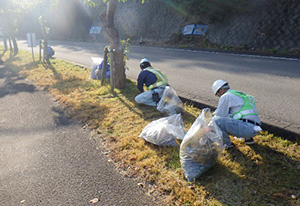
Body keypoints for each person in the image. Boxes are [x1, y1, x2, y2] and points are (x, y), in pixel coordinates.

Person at [211, 79, 262, 149]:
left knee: (216, 121)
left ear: (220, 90)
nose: (219, 97)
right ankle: (248, 139)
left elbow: (220, 115)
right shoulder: (238, 94)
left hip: (246, 128)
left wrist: (208, 127)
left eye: (217, 95)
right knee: (232, 116)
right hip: (255, 127)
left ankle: (226, 144)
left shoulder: (226, 96)